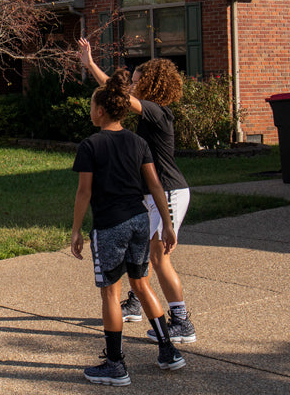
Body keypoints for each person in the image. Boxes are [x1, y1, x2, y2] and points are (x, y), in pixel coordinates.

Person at [70, 69, 185, 386]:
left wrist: (76, 230)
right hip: (139, 221)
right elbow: (157, 186)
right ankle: (168, 350)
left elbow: (84, 192)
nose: (90, 110)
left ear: (101, 110)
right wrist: (168, 226)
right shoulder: (138, 142)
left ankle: (116, 364)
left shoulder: (90, 145)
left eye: (92, 105)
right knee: (142, 284)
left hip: (110, 226)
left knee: (110, 292)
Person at [78, 39, 196, 344]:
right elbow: (118, 96)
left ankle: (181, 322)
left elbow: (116, 95)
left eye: (136, 81)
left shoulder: (158, 112)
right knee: (140, 252)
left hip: (167, 191)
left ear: (151, 84)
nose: (131, 86)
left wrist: (91, 65)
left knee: (158, 259)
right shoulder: (152, 113)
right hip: (155, 193)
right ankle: (134, 302)